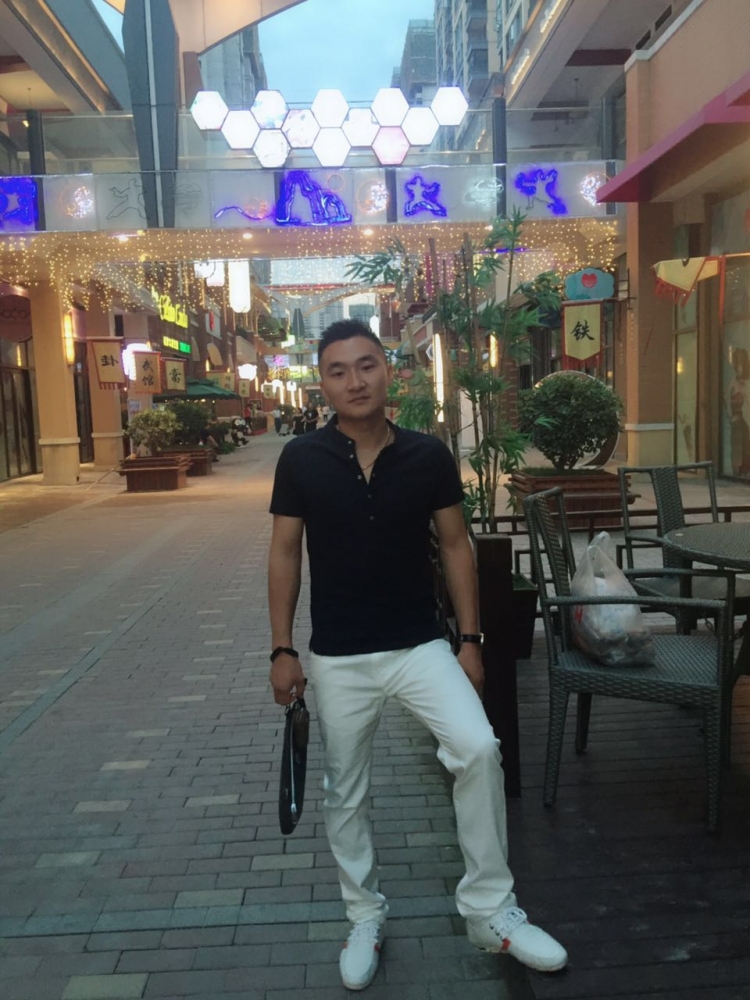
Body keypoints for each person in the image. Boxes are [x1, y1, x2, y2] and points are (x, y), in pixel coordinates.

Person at [268, 319, 567, 991]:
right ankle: (364, 915)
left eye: (366, 365)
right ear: (323, 384)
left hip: (420, 645)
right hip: (339, 655)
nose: (355, 380)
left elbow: (456, 544)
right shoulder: (302, 459)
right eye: (339, 370)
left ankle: (490, 911)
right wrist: (282, 648)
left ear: (388, 371)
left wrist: (470, 640)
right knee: (345, 790)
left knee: (478, 749)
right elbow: (285, 552)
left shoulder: (428, 456)